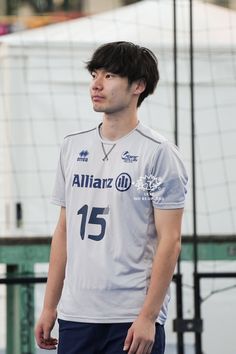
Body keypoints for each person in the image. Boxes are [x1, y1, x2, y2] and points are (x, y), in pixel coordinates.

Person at [35, 41, 188, 354]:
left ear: (138, 86)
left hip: (130, 317)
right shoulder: (72, 147)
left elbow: (170, 241)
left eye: (110, 76)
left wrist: (147, 316)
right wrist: (50, 306)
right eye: (95, 74)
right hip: (76, 314)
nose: (96, 84)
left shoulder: (158, 153)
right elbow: (63, 231)